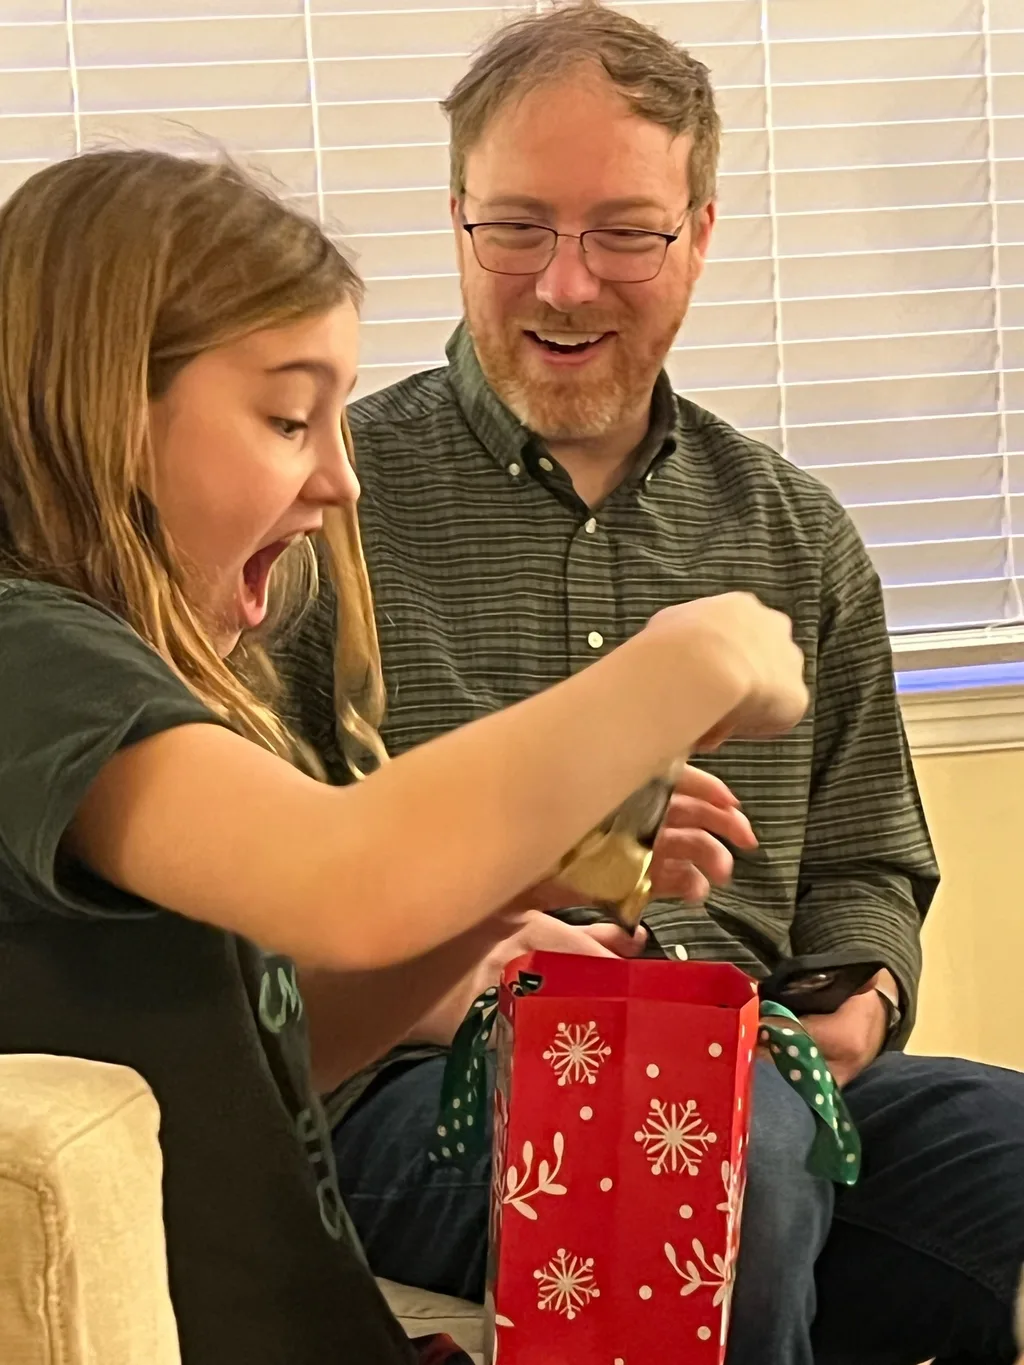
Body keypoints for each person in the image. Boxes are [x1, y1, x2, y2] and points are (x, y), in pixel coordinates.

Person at [274, 5, 1024, 1363]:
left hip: (762, 1065)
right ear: (456, 222)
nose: (564, 283)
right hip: (422, 1089)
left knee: (970, 1148)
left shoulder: (795, 530)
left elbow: (867, 858)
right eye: (516, 227)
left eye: (625, 230)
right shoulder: (325, 517)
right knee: (729, 1153)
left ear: (701, 237)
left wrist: (862, 999)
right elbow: (273, 889)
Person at [0, 148, 810, 1365]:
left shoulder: (107, 679)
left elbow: (282, 1046)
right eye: (286, 417)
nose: (340, 477)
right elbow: (344, 880)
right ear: (103, 408)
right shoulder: (28, 657)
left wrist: (514, 883)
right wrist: (682, 665)